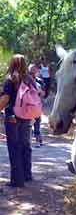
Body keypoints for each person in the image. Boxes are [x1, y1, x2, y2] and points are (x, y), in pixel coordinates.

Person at [0, 55, 33, 187]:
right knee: (25, 145)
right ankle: (27, 175)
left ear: (12, 64)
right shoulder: (29, 79)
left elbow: (6, 99)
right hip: (26, 116)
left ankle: (17, 180)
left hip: (13, 117)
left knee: (14, 147)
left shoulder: (10, 79)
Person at [28, 63, 45, 147]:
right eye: (31, 71)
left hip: (37, 105)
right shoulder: (25, 80)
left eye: (34, 70)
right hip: (27, 106)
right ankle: (29, 141)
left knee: (37, 123)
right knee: (28, 124)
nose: (33, 72)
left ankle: (39, 141)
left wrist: (39, 91)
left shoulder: (39, 81)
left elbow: (43, 93)